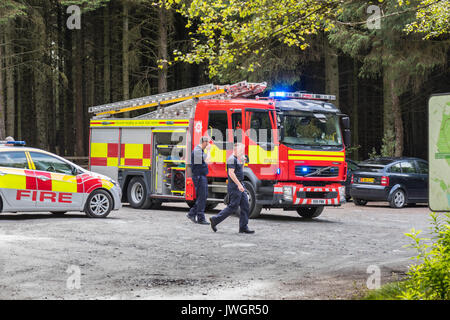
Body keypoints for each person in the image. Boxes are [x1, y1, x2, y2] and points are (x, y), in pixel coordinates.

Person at [209, 143, 254, 234]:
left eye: (242, 150)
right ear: (235, 150)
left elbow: (239, 171)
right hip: (235, 186)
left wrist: (243, 162)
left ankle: (243, 227)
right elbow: (231, 174)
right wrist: (239, 185)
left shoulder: (237, 159)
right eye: (241, 150)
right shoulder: (231, 159)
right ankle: (215, 220)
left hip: (240, 185)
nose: (242, 152)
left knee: (245, 205)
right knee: (232, 207)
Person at [187, 136, 211, 225]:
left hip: (201, 176)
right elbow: (207, 159)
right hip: (199, 177)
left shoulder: (199, 151)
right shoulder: (197, 151)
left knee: (203, 197)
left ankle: (192, 213)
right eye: (207, 142)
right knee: (202, 197)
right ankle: (200, 218)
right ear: (204, 142)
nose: (208, 144)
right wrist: (208, 151)